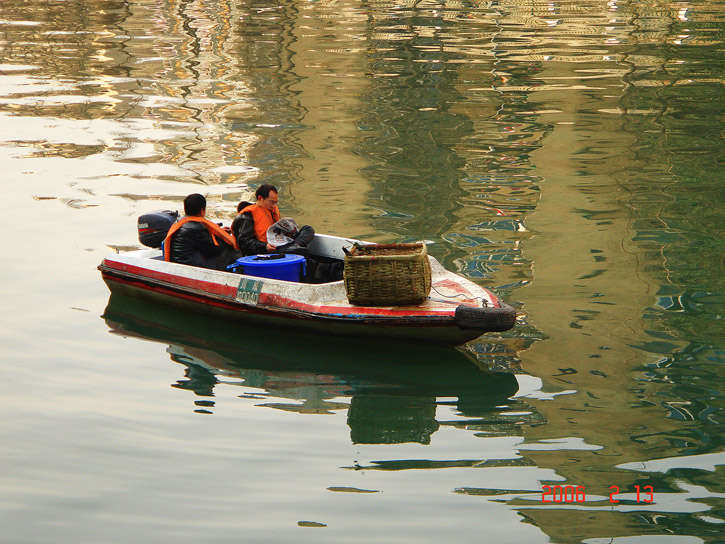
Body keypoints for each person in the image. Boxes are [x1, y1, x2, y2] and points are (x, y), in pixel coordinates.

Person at [164, 193, 242, 270]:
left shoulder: (179, 221)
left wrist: (218, 232)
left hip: (181, 260)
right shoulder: (195, 227)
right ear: (202, 210)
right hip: (189, 264)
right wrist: (222, 236)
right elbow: (214, 248)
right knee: (230, 249)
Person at [231, 184, 315, 256]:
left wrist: (289, 232)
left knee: (308, 229)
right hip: (265, 251)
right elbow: (244, 242)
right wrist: (265, 246)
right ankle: (293, 248)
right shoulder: (246, 217)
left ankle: (295, 246)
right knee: (296, 251)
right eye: (271, 202)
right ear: (260, 198)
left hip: (281, 244)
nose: (273, 206)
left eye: (275, 203)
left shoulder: (272, 211)